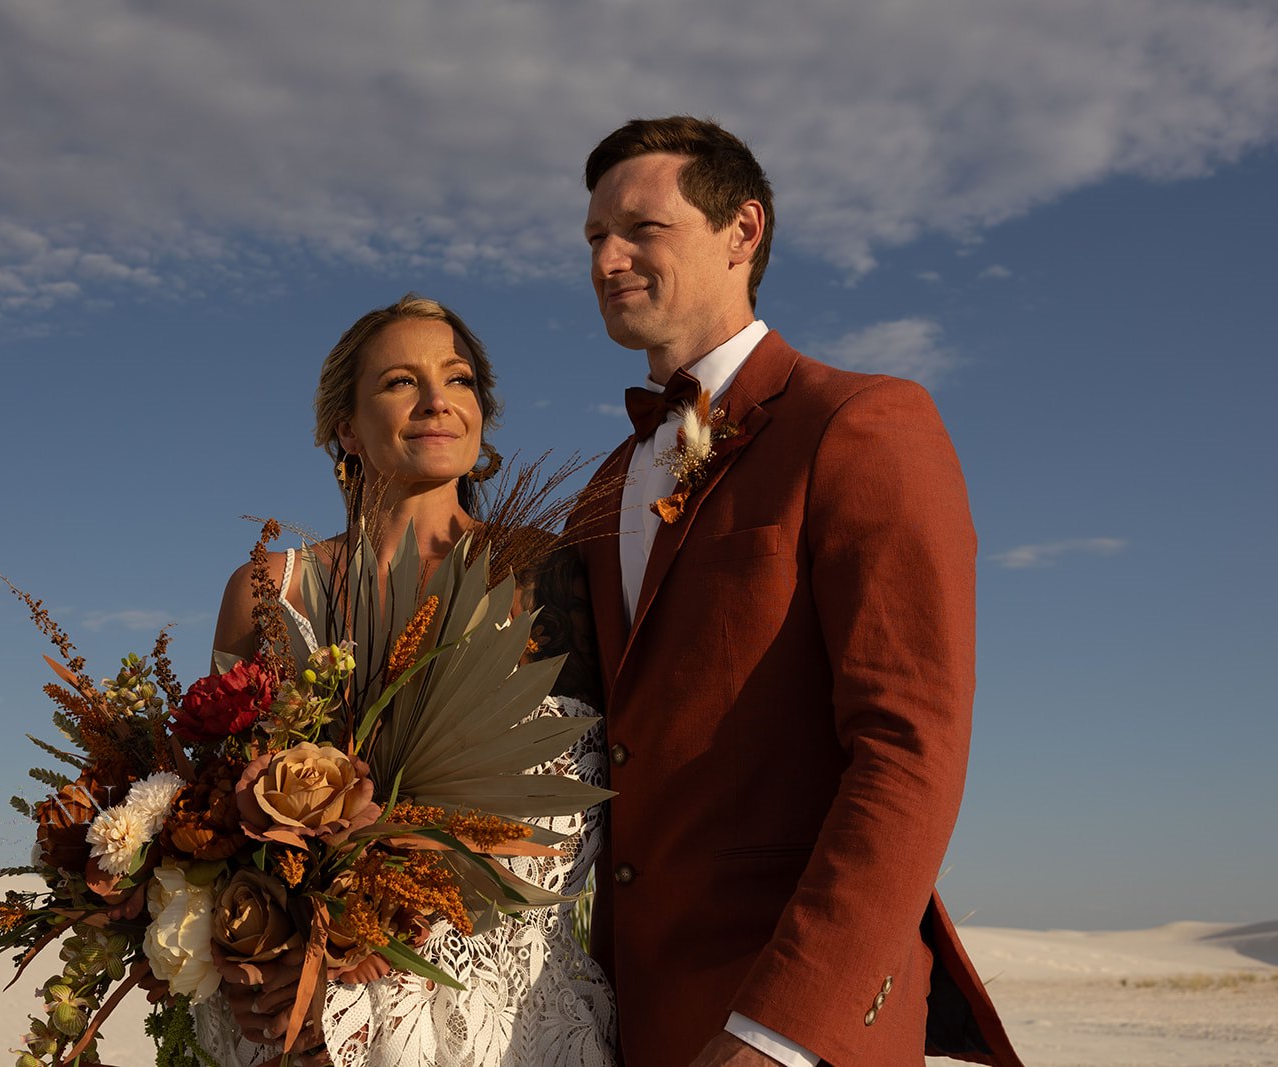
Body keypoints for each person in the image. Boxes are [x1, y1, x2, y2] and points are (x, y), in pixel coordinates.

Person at [568, 116, 1024, 1067]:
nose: (608, 258)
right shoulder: (602, 489)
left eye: (641, 229)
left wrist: (783, 1030)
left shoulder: (860, 422)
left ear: (744, 230)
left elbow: (909, 747)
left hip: (787, 1022)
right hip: (622, 1019)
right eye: (594, 237)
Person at [193, 294, 618, 1067]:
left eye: (457, 380)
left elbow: (598, 808)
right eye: (399, 381)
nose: (436, 401)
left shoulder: (551, 577)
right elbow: (217, 830)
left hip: (516, 1028)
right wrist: (266, 964)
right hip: (307, 1029)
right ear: (346, 428)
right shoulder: (267, 592)